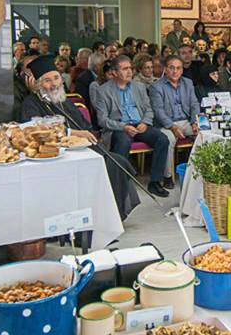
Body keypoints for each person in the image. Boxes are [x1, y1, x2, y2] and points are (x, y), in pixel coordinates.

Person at [19, 56, 142, 219]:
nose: (54, 84)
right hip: (58, 155)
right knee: (113, 163)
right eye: (47, 81)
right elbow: (36, 132)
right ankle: (101, 216)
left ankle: (110, 214)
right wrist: (74, 134)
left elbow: (85, 125)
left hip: (83, 148)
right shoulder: (30, 104)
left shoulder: (63, 100)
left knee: (118, 162)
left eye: (56, 78)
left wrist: (86, 135)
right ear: (38, 84)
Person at [92, 55, 170, 197]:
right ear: (114, 72)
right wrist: (123, 127)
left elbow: (149, 109)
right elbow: (102, 120)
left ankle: (155, 182)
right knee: (123, 142)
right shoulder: (103, 91)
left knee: (163, 139)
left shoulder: (139, 87)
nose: (129, 72)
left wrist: (145, 122)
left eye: (130, 68)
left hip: (139, 124)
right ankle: (121, 184)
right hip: (119, 127)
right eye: (124, 69)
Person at [150, 55, 200, 187]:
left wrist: (195, 122)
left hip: (186, 121)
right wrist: (172, 127)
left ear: (182, 70)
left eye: (178, 68)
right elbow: (158, 111)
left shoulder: (188, 83)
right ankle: (168, 176)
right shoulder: (156, 87)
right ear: (165, 69)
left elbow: (194, 104)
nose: (175, 71)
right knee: (168, 139)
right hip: (166, 124)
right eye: (171, 68)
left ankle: (200, 173)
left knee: (203, 133)